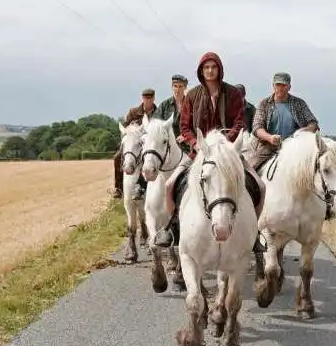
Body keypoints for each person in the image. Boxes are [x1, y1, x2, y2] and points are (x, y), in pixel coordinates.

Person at [153, 52, 266, 256]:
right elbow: (185, 127)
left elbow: (240, 123)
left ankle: (255, 233)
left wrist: (225, 143)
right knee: (170, 185)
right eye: (206, 67)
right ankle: (172, 228)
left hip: (228, 152)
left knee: (260, 185)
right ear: (201, 71)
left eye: (213, 67)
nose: (210, 70)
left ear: (219, 69)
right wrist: (196, 143)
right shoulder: (192, 95)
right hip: (198, 153)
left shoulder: (233, 94)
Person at [249, 72, 320, 172]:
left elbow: (313, 123)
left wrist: (303, 132)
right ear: (273, 86)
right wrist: (269, 138)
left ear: (289, 87)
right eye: (278, 85)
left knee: (318, 167)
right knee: (249, 169)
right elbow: (257, 128)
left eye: (284, 85)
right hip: (269, 146)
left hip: (295, 147)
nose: (280, 88)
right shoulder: (264, 104)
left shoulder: (299, 103)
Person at [112, 88, 157, 199]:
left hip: (150, 143)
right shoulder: (133, 112)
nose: (148, 100)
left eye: (150, 98)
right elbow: (125, 127)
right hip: (134, 142)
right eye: (146, 98)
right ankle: (118, 188)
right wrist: (132, 128)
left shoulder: (159, 112)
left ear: (154, 98)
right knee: (117, 157)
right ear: (142, 98)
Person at [153, 74, 191, 154]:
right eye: (175, 86)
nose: (177, 89)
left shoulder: (191, 105)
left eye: (180, 86)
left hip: (187, 148)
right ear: (172, 87)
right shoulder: (164, 105)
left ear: (185, 87)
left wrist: (186, 137)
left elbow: (197, 125)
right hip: (167, 149)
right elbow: (155, 124)